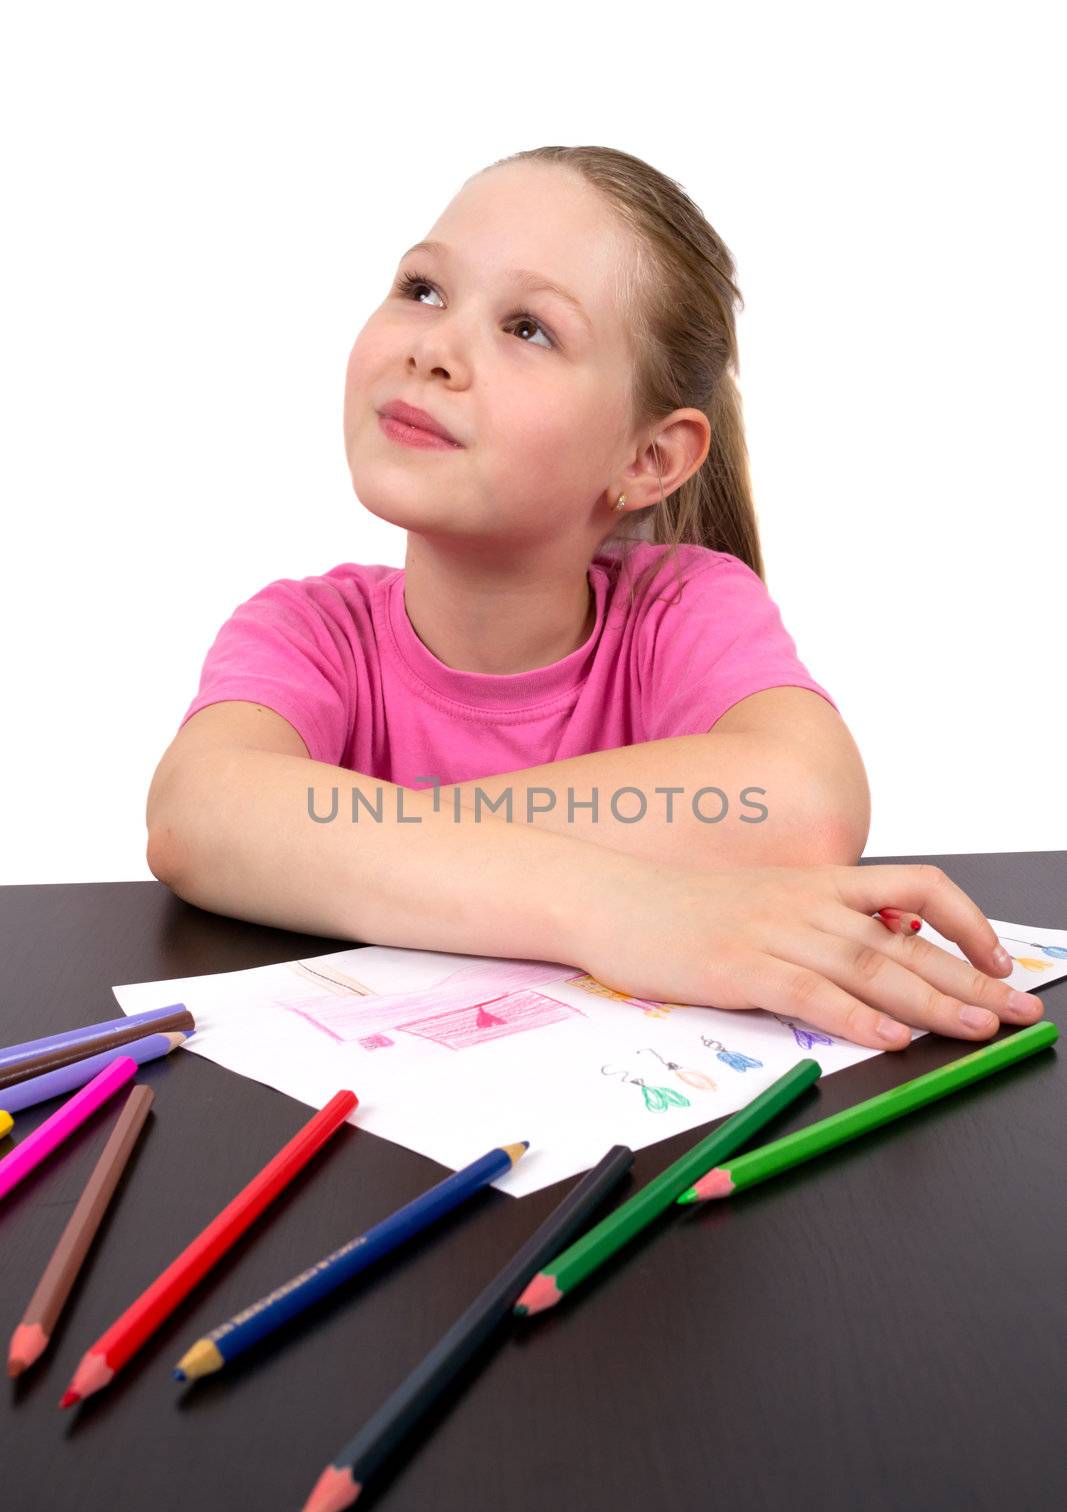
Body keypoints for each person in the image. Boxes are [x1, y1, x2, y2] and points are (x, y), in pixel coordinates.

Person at [145, 144, 1042, 1053]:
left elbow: (804, 802)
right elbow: (198, 817)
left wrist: (347, 845)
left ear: (647, 459)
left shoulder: (680, 608)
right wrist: (617, 901)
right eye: (423, 288)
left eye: (528, 327)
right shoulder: (306, 630)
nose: (433, 348)